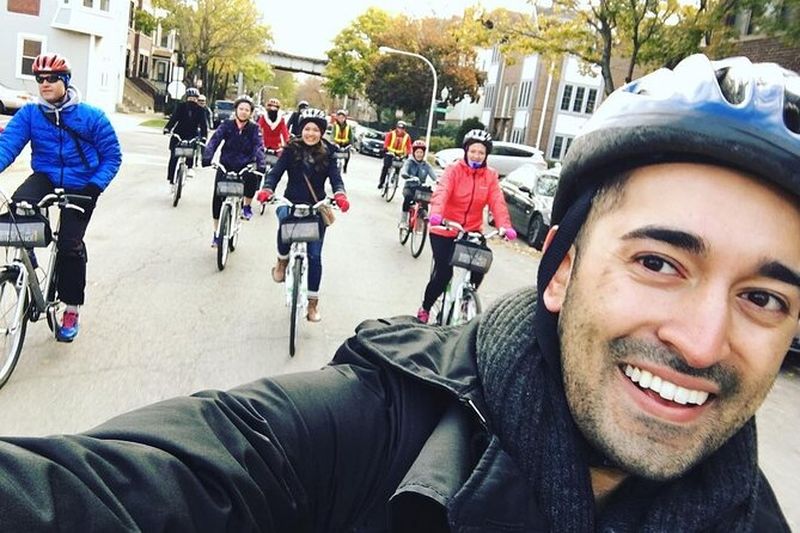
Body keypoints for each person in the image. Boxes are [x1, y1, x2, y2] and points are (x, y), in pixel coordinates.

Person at [0, 55, 796, 532]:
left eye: (765, 296)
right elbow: (118, 491)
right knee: (418, 265)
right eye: (659, 261)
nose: (700, 340)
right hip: (314, 206)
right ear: (560, 269)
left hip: (425, 216)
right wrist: (280, 195)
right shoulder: (366, 433)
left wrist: (361, 204)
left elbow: (471, 207)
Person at [0, 52, 121, 342]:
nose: (44, 83)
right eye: (39, 78)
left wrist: (95, 186)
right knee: (17, 208)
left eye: (52, 78)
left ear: (65, 81)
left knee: (69, 246)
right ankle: (25, 258)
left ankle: (71, 308)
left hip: (82, 183)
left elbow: (112, 156)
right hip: (46, 176)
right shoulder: (30, 114)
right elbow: (7, 146)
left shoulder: (91, 116)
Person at [255, 107, 350, 322]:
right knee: (283, 218)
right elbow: (276, 172)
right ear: (301, 130)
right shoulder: (290, 149)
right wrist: (267, 189)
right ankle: (282, 261)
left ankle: (312, 304)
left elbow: (336, 178)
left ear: (322, 132)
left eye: (316, 130)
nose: (311, 133)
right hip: (291, 201)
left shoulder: (330, 152)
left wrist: (340, 195)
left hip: (317, 207)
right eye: (307, 129)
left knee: (315, 257)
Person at [416, 129, 517, 323]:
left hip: (471, 230)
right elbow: (442, 192)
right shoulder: (454, 170)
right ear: (466, 151)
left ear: (486, 154)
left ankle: (464, 300)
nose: (476, 156)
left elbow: (497, 201)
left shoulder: (490, 176)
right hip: (444, 227)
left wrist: (505, 225)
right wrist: (436, 214)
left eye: (481, 152)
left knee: (480, 264)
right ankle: (426, 307)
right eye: (473, 151)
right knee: (444, 273)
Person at [201, 95, 264, 236]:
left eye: (247, 110)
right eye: (241, 108)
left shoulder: (254, 128)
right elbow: (214, 141)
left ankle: (246, 206)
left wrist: (261, 164)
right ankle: (217, 233)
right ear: (236, 110)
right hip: (226, 165)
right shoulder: (226, 125)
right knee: (217, 197)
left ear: (251, 112)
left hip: (245, 165)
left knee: (253, 179)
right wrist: (207, 157)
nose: (243, 112)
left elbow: (259, 147)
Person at [163, 87, 207, 184]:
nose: (192, 100)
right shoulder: (181, 107)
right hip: (179, 133)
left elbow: (204, 125)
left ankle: (190, 167)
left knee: (191, 150)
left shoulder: (200, 110)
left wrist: (204, 137)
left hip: (192, 134)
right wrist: (168, 128)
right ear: (186, 98)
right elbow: (174, 119)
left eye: (194, 98)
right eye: (190, 98)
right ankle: (171, 178)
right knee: (174, 156)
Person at [399, 139, 438, 228]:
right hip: (410, 187)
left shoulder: (426, 165)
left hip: (420, 189)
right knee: (407, 198)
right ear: (414, 153)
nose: (419, 154)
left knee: (425, 202)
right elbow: (404, 170)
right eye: (417, 152)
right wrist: (407, 176)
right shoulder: (409, 162)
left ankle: (421, 224)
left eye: (421, 152)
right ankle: (403, 221)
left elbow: (433, 175)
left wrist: (437, 181)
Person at [378, 119, 412, 189]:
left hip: (400, 154)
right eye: (399, 128)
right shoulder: (391, 134)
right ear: (396, 127)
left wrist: (408, 153)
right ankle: (382, 182)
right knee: (386, 166)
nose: (400, 130)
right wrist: (386, 149)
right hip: (390, 152)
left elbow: (409, 147)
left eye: (402, 128)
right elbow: (386, 144)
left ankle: (395, 176)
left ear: (404, 129)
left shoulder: (407, 136)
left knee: (398, 166)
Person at [331, 109, 354, 173]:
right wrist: (332, 141)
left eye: (342, 117)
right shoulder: (335, 125)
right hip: (336, 143)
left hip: (345, 143)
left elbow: (351, 136)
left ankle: (345, 166)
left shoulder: (348, 126)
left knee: (347, 155)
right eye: (339, 117)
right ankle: (332, 166)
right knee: (332, 154)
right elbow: (332, 134)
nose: (341, 119)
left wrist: (351, 145)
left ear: (345, 118)